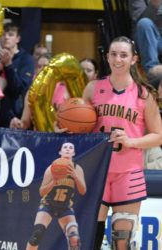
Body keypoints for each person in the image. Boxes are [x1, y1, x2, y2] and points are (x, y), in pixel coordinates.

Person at [81, 36, 162, 249]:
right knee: (90, 238)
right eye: (114, 54)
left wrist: (131, 142)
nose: (118, 59)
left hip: (128, 174)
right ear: (107, 57)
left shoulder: (144, 95)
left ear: (134, 59)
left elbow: (159, 135)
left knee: (122, 240)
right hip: (97, 172)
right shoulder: (92, 88)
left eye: (124, 55)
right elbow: (82, 128)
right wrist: (66, 129)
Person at [26, 142, 86, 250]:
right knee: (37, 235)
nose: (68, 149)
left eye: (70, 147)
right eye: (65, 147)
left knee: (74, 238)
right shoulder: (51, 169)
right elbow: (42, 192)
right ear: (60, 152)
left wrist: (75, 177)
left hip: (65, 205)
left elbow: (83, 191)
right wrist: (54, 181)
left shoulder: (77, 169)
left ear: (74, 153)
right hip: (48, 203)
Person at [0, 22, 35, 128]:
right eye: (3, 34)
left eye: (11, 34)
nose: (6, 37)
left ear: (18, 39)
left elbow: (19, 89)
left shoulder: (27, 60)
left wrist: (8, 66)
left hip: (14, 118)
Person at [10, 53, 69, 130]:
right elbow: (25, 123)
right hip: (40, 138)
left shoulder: (65, 89)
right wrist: (18, 124)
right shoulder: (31, 92)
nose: (41, 69)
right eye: (39, 67)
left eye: (45, 66)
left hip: (62, 137)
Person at [128, 0, 162, 83]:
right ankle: (153, 73)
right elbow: (139, 19)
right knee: (144, 23)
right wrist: (154, 4)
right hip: (149, 37)